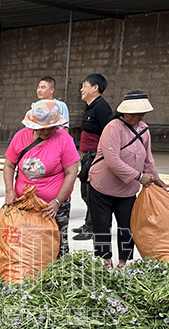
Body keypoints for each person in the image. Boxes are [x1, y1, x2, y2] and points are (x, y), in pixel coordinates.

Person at [88, 91, 167, 269]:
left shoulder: (145, 130)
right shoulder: (113, 128)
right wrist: (139, 177)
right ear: (123, 112)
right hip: (102, 186)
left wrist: (156, 179)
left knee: (127, 226)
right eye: (131, 113)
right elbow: (112, 160)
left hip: (128, 190)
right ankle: (106, 260)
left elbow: (148, 159)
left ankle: (123, 262)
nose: (135, 117)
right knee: (102, 225)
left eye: (139, 114)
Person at [2, 100, 79, 258]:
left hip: (53, 205)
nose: (46, 132)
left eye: (51, 128)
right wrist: (10, 191)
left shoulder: (64, 139)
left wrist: (57, 201)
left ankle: (60, 275)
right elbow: (9, 165)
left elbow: (72, 172)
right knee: (27, 241)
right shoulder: (20, 137)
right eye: (41, 129)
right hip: (25, 202)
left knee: (58, 242)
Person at [74, 73, 113, 241]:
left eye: (85, 85)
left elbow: (109, 133)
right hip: (87, 157)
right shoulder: (91, 106)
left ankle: (93, 227)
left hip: (95, 158)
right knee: (86, 193)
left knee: (92, 193)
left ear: (95, 88)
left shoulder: (102, 107)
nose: (82, 89)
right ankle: (88, 224)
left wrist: (100, 157)